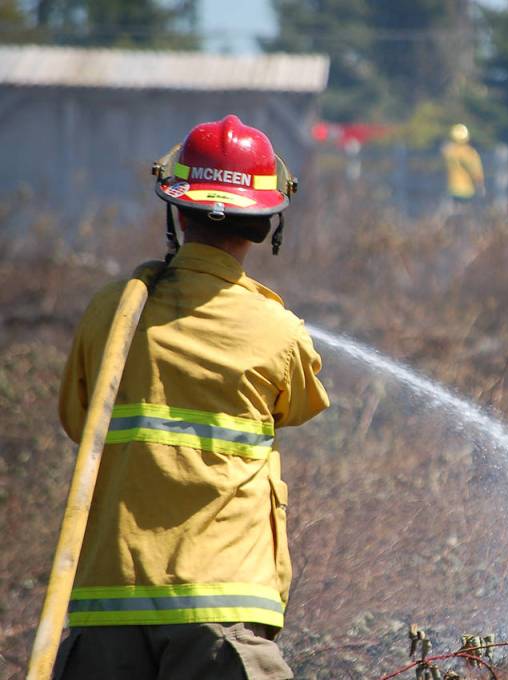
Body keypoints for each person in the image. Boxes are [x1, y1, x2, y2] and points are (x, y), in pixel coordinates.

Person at [54, 114, 330, 679]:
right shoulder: (277, 330)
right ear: (265, 222)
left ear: (176, 212)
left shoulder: (112, 309)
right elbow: (299, 405)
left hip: (107, 606)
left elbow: (78, 420)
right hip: (223, 612)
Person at [440, 123, 485, 217]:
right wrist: (480, 186)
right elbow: (476, 171)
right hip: (467, 190)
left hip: (452, 188)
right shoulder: (470, 153)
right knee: (466, 215)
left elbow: (443, 152)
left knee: (453, 215)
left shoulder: (449, 152)